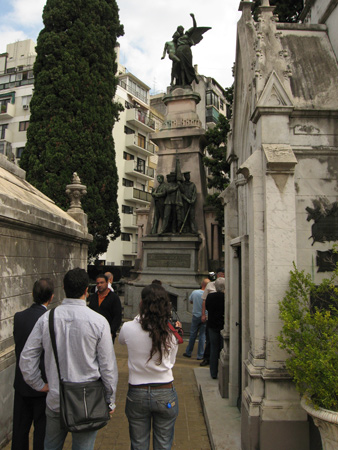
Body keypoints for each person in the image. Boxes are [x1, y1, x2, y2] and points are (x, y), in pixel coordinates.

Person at [20, 267, 118, 450]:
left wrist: (39, 384)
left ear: (63, 288)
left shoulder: (46, 318)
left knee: (51, 446)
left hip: (56, 398)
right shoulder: (98, 322)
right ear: (87, 290)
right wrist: (109, 399)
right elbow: (108, 367)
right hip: (88, 402)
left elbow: (26, 358)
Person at [119, 284, 181, 450]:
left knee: (138, 444)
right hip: (165, 392)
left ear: (141, 303)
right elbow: (171, 362)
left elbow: (121, 340)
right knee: (163, 444)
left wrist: (138, 318)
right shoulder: (171, 332)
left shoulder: (128, 328)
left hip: (137, 392)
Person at [12, 278, 54, 450]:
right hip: (43, 384)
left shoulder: (19, 317)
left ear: (32, 294)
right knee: (41, 432)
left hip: (21, 383)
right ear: (51, 297)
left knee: (20, 430)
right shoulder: (49, 320)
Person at [200, 268, 225, 367]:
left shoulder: (228, 284)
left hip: (223, 319)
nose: (223, 276)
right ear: (218, 275)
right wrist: (203, 314)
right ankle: (207, 358)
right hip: (212, 318)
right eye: (221, 275)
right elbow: (204, 301)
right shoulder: (210, 285)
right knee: (210, 341)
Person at [88, 273, 122, 342]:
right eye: (97, 283)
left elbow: (117, 316)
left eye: (102, 283)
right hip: (94, 333)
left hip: (108, 333)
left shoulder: (114, 298)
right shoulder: (93, 297)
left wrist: (112, 332)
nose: (99, 285)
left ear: (107, 283)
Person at [183, 278, 210, 360]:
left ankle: (188, 352)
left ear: (202, 284)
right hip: (205, 316)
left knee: (192, 334)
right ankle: (200, 355)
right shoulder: (209, 294)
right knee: (202, 336)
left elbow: (191, 301)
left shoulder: (195, 292)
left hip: (195, 316)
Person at [205, 277, 225, 379]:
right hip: (222, 325)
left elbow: (207, 307)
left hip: (212, 325)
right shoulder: (225, 297)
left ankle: (213, 373)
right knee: (223, 348)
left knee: (213, 349)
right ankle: (223, 372)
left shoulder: (210, 297)